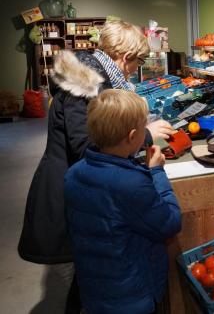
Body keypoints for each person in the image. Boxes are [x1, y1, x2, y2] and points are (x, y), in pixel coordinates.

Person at [18, 19, 175, 313]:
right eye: (138, 61)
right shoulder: (84, 85)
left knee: (86, 280)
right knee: (79, 284)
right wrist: (145, 136)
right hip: (65, 193)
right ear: (125, 57)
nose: (136, 68)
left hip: (76, 187)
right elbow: (85, 145)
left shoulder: (96, 77)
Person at [64, 89, 181, 314]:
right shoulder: (131, 185)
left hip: (94, 289)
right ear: (132, 136)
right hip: (132, 296)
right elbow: (170, 223)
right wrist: (156, 172)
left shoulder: (74, 173)